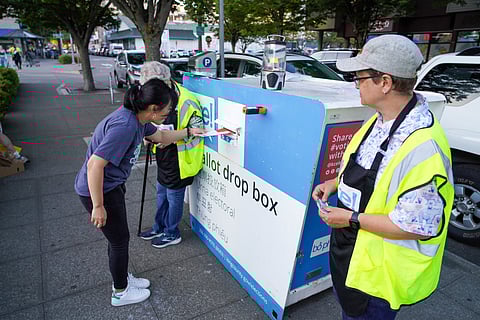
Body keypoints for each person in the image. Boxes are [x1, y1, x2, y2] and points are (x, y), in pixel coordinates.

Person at [312, 34, 454, 320]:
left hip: (379, 278)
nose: (356, 84)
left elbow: (417, 226)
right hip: (353, 257)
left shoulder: (422, 147)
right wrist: (334, 183)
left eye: (360, 78)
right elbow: (367, 172)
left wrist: (349, 219)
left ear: (385, 83)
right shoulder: (380, 118)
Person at [74, 79, 205, 307]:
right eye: (167, 110)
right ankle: (120, 292)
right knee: (119, 241)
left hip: (110, 186)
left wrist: (189, 131)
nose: (169, 113)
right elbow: (94, 165)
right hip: (100, 189)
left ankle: (122, 278)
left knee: (117, 238)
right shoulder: (125, 126)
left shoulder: (139, 118)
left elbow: (163, 137)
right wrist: (98, 205)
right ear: (154, 109)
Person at [138, 61, 205, 249]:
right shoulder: (156, 97)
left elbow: (198, 130)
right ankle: (159, 226)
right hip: (162, 154)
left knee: (174, 198)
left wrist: (171, 138)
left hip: (181, 159)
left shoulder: (186, 100)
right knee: (161, 194)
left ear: (165, 83)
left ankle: (171, 232)